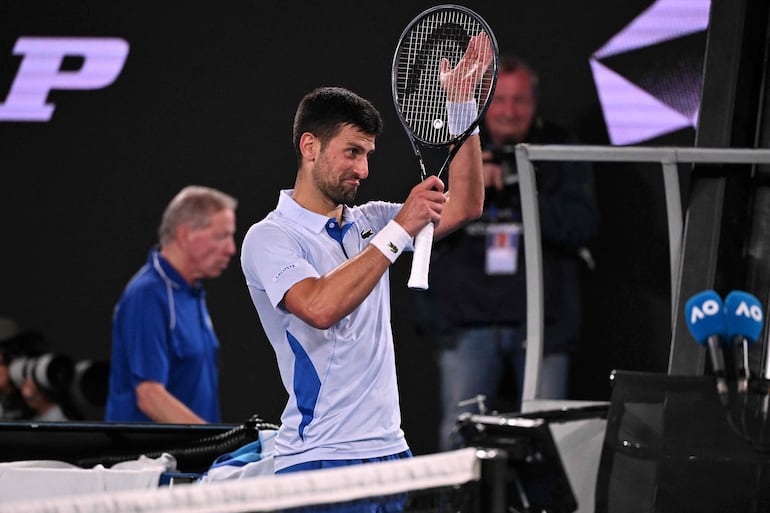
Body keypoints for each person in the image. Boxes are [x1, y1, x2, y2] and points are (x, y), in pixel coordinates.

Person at [240, 32, 492, 476]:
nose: (363, 170)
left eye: (369, 154)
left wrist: (461, 107)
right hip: (319, 460)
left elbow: (468, 202)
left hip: (390, 451)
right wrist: (398, 230)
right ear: (310, 147)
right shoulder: (269, 237)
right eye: (352, 152)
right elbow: (320, 307)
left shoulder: (371, 220)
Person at [421, 55, 600, 450]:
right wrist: (469, 188)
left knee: (549, 436)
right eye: (499, 99)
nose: (508, 110)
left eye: (519, 100)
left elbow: (581, 226)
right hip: (467, 323)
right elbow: (422, 232)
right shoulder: (453, 147)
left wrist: (521, 182)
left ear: (534, 102)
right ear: (484, 100)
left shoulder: (560, 148)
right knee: (459, 433)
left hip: (541, 324)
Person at [105, 185, 237, 423]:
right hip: (151, 458)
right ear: (185, 235)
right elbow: (149, 395)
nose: (231, 249)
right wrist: (218, 442)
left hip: (188, 455)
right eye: (221, 236)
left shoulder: (190, 292)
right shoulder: (147, 295)